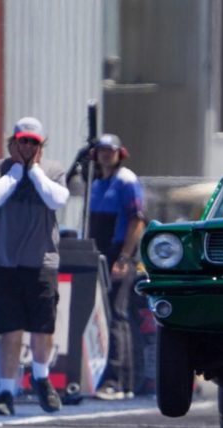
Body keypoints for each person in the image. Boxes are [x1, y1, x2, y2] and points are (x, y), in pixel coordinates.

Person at [0, 117, 69, 416]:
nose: (27, 146)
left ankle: (41, 378)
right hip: (2, 260)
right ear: (13, 143)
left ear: (41, 146)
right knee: (10, 329)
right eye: (23, 140)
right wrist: (18, 169)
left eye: (33, 142)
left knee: (42, 327)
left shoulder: (54, 171)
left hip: (40, 260)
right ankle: (7, 391)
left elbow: (56, 200)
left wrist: (33, 170)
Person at [87, 134, 146, 400]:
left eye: (110, 151)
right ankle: (118, 379)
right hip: (100, 254)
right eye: (101, 150)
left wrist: (124, 258)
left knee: (117, 316)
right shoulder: (97, 182)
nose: (105, 155)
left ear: (119, 153)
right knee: (110, 315)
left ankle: (118, 379)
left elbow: (137, 221)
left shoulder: (126, 180)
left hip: (117, 254)